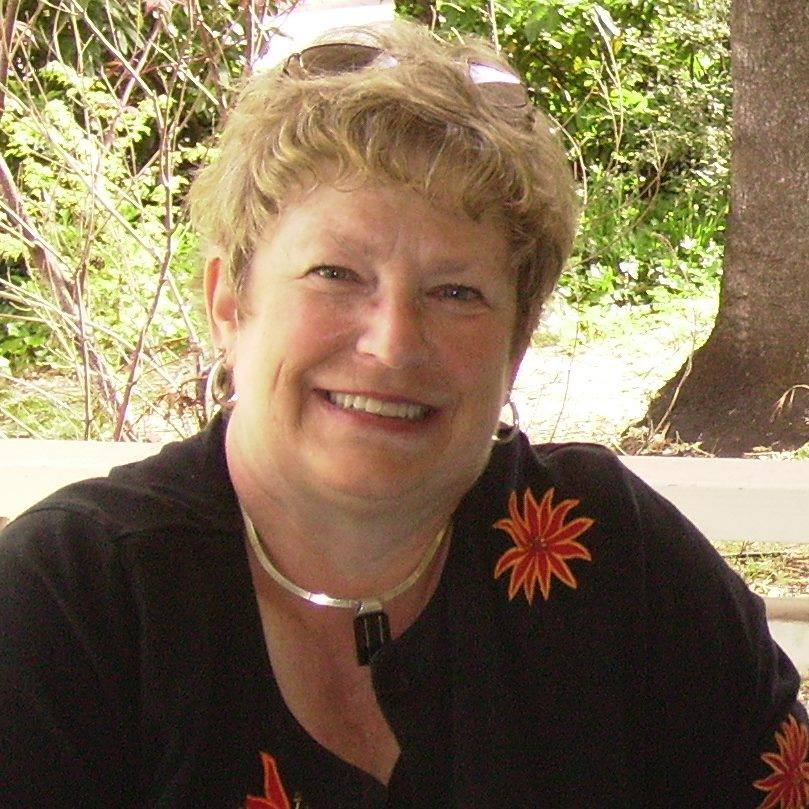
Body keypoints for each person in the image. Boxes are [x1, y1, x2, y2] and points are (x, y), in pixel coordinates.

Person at [1, 20, 807, 809]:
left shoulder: (609, 556)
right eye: (336, 273)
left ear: (515, 343)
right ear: (228, 302)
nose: (391, 343)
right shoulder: (71, 599)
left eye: (456, 292)